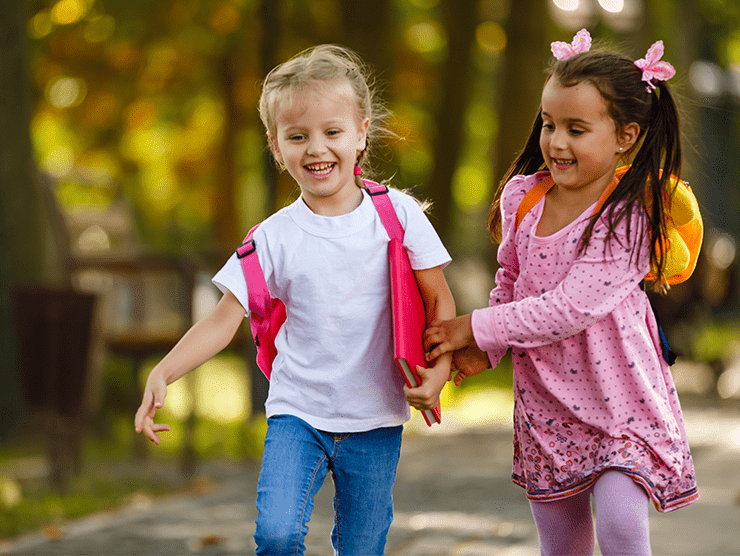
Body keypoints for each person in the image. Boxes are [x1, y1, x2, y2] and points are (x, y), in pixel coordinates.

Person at [134, 44, 455, 556]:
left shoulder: (399, 215)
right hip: (297, 412)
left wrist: (438, 375)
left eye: (332, 132)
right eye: (298, 136)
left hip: (376, 415)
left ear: (361, 132)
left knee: (362, 547)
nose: (316, 148)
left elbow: (440, 302)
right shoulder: (273, 238)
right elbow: (223, 319)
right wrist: (163, 372)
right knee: (278, 535)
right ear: (276, 147)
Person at [424, 30, 698, 556]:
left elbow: (570, 307)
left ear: (624, 136)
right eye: (549, 124)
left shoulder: (629, 215)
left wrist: (473, 325)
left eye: (576, 129)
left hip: (622, 402)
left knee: (620, 522)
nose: (555, 142)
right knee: (563, 545)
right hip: (546, 405)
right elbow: (511, 284)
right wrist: (486, 347)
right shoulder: (522, 199)